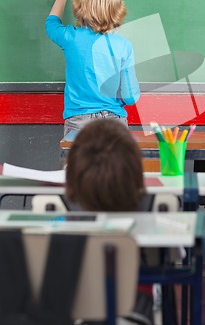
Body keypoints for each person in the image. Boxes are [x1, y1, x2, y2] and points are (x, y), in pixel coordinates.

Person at [65, 119, 154, 324]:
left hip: (74, 313)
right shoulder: (152, 225)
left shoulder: (60, 233)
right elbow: (175, 256)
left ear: (72, 177)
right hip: (134, 316)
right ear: (136, 175)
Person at [46, 0, 140, 136]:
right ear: (116, 8)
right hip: (115, 125)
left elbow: (51, 24)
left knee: (79, 164)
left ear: (79, 6)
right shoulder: (123, 46)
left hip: (79, 124)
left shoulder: (71, 38)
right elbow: (130, 97)